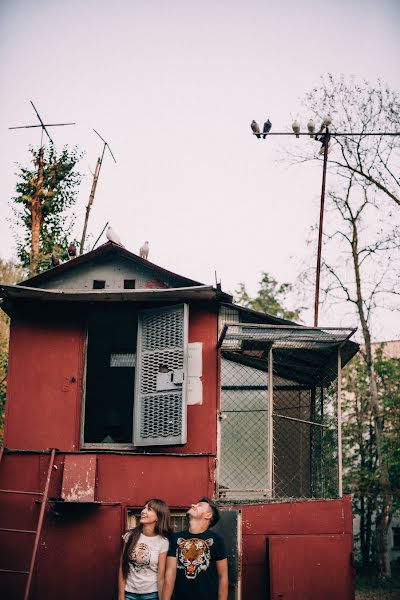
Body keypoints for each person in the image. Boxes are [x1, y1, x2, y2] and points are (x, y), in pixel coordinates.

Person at [162, 497, 228, 600]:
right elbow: (170, 573)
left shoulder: (216, 540)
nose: (193, 505)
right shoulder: (176, 538)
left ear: (208, 515)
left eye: (200, 505)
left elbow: (223, 577)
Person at [119, 498, 171, 600]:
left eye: (149, 509)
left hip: (151, 595)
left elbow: (161, 577)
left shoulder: (163, 542)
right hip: (129, 594)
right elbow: (122, 568)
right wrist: (121, 596)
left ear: (158, 517)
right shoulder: (130, 536)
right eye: (144, 508)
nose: (143, 511)